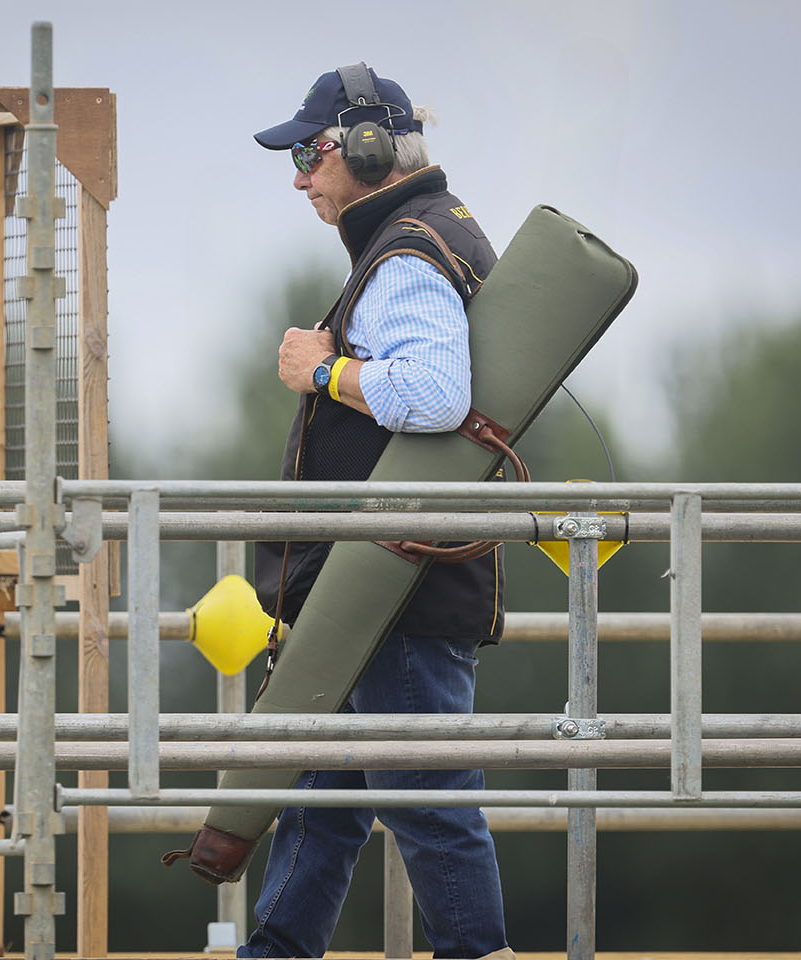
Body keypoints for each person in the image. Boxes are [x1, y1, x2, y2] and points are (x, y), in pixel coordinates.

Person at [244, 64, 512, 959]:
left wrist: (321, 371)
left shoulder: (402, 255)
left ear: (364, 150)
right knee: (324, 800)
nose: (299, 179)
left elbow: (436, 394)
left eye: (309, 156)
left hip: (392, 581)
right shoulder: (433, 229)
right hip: (387, 571)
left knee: (426, 803)